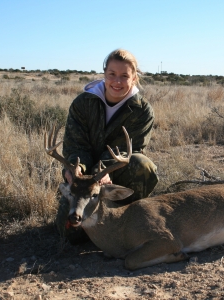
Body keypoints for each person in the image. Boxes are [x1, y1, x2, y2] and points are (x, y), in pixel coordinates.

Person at [55, 49, 159, 244]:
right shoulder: (83, 103)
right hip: (84, 181)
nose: (117, 82)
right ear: (104, 74)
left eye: (124, 76)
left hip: (116, 173)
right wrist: (76, 167)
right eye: (112, 74)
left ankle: (125, 219)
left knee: (143, 166)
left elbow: (132, 148)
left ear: (134, 78)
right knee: (68, 233)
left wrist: (103, 171)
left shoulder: (142, 111)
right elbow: (75, 145)